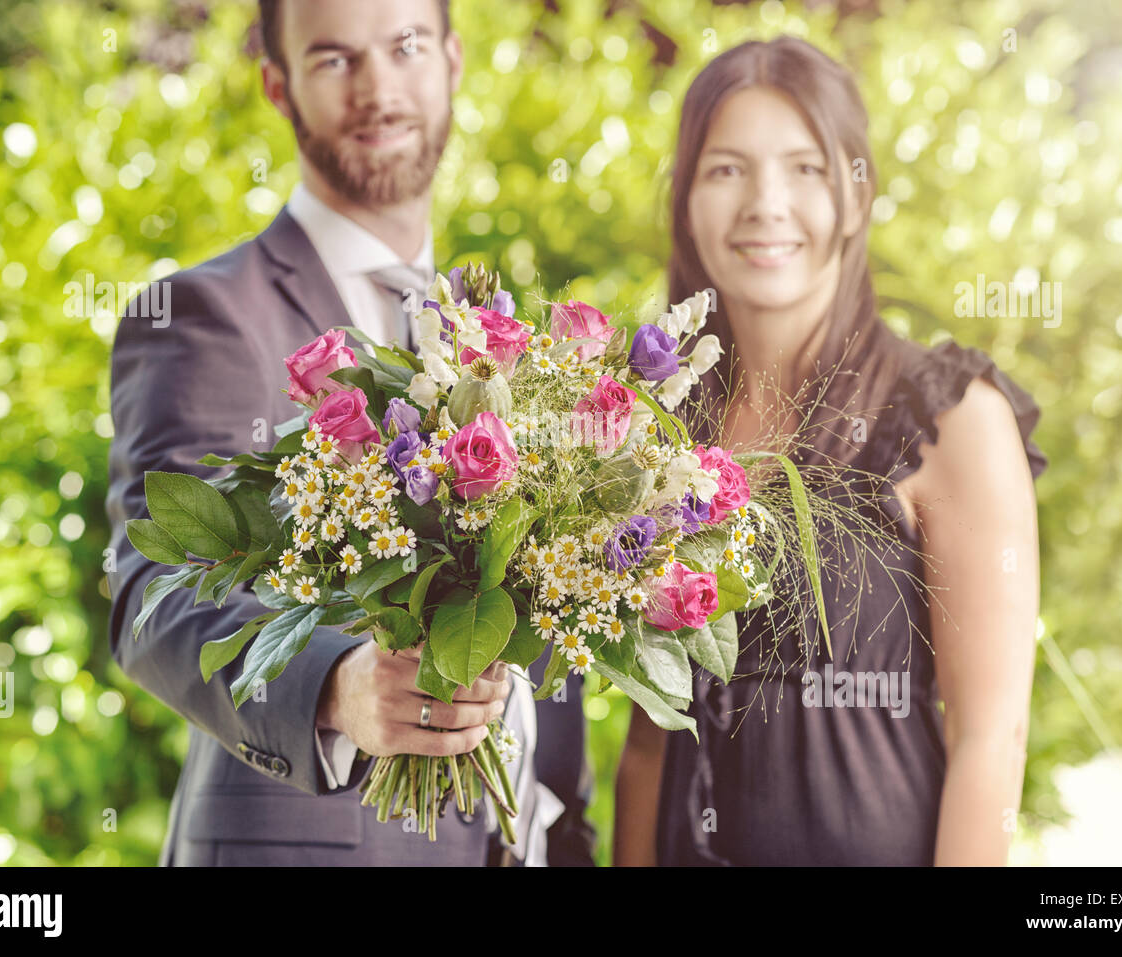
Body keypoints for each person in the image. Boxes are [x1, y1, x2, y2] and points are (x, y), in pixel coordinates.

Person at [105, 0, 594, 866]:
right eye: (333, 59)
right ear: (278, 84)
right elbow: (152, 591)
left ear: (451, 59)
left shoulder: (494, 335)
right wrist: (332, 685)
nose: (376, 88)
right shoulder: (207, 314)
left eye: (404, 48)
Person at [614, 36, 1049, 866]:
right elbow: (649, 738)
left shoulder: (949, 420)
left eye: (806, 169)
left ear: (857, 197)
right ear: (685, 201)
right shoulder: (657, 427)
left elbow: (992, 738)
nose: (765, 204)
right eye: (726, 169)